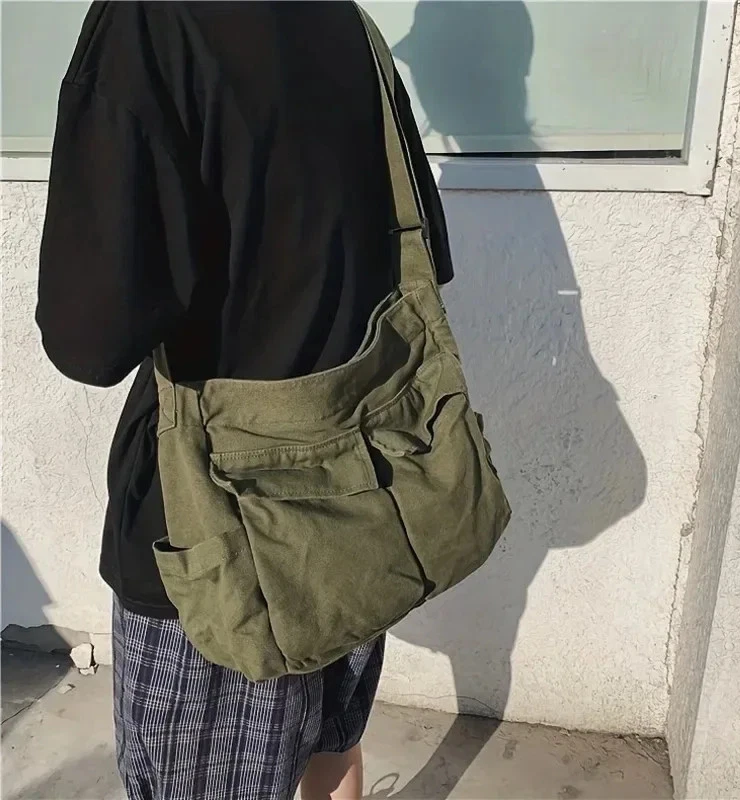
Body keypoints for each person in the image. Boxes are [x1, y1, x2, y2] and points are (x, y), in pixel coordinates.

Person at [37, 3, 452, 798]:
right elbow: (419, 252)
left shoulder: (147, 22)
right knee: (331, 747)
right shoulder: (346, 24)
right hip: (361, 500)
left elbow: (87, 340)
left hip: (219, 528)